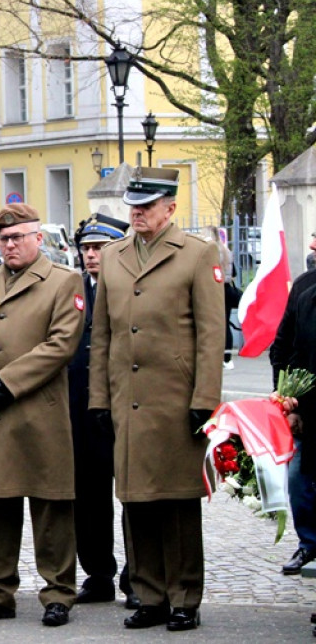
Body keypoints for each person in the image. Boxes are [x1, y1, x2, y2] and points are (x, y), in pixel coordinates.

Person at [89, 168, 224, 631]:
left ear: (170, 207)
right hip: (127, 400)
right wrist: (99, 399)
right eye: (133, 206)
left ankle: (184, 596)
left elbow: (210, 335)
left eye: (146, 206)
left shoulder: (197, 255)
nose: (138, 213)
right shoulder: (113, 256)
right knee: (135, 500)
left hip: (176, 400)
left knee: (177, 502)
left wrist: (205, 399)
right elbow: (101, 333)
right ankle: (148, 595)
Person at [0, 204, 84, 628]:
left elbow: (61, 344)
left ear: (38, 239)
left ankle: (59, 593)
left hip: (37, 410)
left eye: (17, 238)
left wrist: (6, 381)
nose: (9, 246)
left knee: (51, 507)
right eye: (4, 239)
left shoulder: (64, 281)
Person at [68, 213, 132, 606]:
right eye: (87, 249)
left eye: (100, 248)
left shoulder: (130, 288)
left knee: (131, 494)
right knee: (87, 498)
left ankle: (137, 575)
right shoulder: (71, 290)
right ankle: (97, 573)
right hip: (79, 409)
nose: (91, 256)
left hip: (122, 405)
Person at [270, 232, 316, 580]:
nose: (312, 245)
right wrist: (286, 399)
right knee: (299, 477)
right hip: (308, 411)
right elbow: (285, 348)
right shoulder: (304, 289)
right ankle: (309, 542)